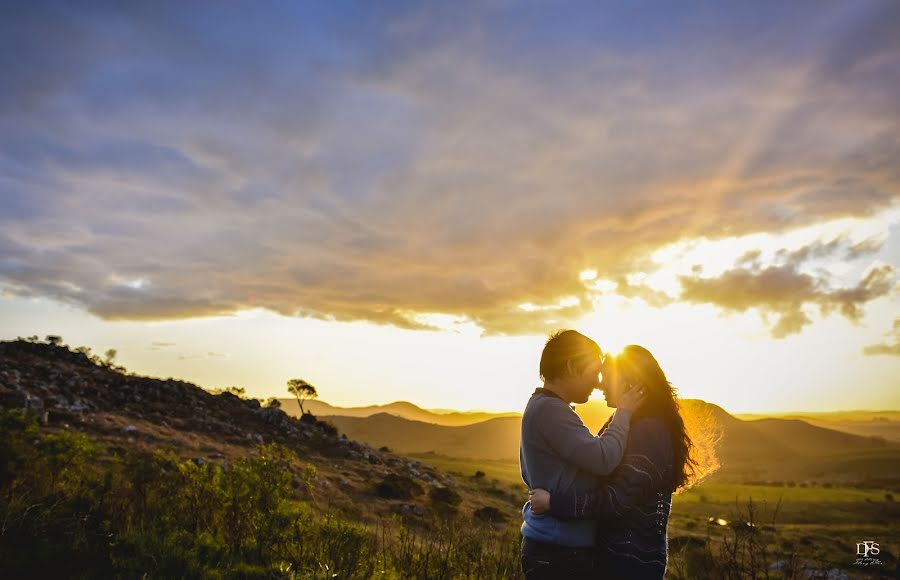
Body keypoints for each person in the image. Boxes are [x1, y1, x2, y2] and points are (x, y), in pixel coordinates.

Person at [529, 345, 700, 579]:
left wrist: (555, 502)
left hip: (630, 564)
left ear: (627, 381)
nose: (599, 384)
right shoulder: (630, 422)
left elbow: (617, 500)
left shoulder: (649, 430)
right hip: (617, 559)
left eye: (606, 376)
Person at [519, 330, 646, 579]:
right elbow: (604, 460)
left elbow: (529, 470)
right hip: (559, 552)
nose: (599, 382)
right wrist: (624, 413)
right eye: (594, 372)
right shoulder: (550, 410)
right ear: (571, 366)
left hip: (553, 549)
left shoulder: (541, 406)